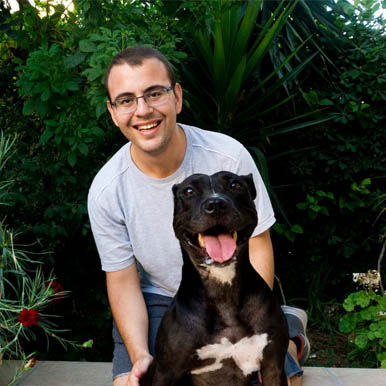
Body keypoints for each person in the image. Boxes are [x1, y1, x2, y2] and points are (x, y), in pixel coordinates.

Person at [88, 46, 310, 386]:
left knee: (276, 378)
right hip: (162, 298)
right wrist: (139, 354)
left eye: (154, 93)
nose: (143, 110)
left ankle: (288, 333)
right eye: (126, 99)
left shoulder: (228, 155)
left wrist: (255, 324)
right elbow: (122, 280)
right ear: (113, 111)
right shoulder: (107, 190)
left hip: (240, 293)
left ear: (176, 96)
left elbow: (260, 244)